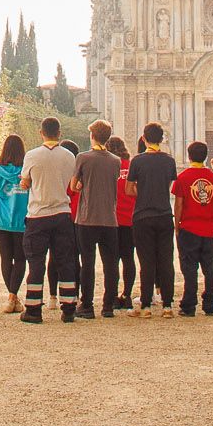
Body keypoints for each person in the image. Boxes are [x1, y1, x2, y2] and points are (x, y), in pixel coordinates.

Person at [19, 117, 81, 322]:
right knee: (65, 261)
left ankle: (34, 308)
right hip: (62, 213)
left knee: (36, 262)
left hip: (38, 214)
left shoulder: (32, 155)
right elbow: (73, 185)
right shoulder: (70, 157)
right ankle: (69, 306)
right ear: (59, 133)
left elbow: (25, 183)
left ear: (41, 132)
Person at [74, 120, 126, 316]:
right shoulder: (115, 160)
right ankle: (108, 306)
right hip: (109, 218)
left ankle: (86, 305)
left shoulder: (83, 157)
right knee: (110, 264)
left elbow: (73, 185)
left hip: (87, 217)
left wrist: (81, 185)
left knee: (87, 262)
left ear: (92, 136)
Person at [126, 123, 178, 316]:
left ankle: (146, 305)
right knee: (166, 260)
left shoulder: (137, 161)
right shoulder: (169, 161)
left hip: (142, 215)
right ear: (162, 139)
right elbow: (169, 184)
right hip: (164, 214)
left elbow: (128, 189)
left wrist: (143, 191)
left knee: (146, 261)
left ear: (144, 138)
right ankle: (167, 305)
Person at [170, 140, 213, 316]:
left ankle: (189, 304)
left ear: (188, 155)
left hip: (189, 228)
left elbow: (178, 204)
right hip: (208, 229)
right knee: (210, 267)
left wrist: (177, 224)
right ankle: (210, 303)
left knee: (189, 267)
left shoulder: (183, 177)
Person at [0, 135, 29, 315]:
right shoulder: (26, 170)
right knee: (21, 258)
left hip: (0, 220)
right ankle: (13, 295)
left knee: (5, 258)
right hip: (22, 220)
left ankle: (12, 297)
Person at [109, 134, 140, 303]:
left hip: (112, 219)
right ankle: (127, 294)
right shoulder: (132, 167)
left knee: (112, 260)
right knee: (128, 258)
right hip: (131, 219)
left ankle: (112, 295)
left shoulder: (109, 167)